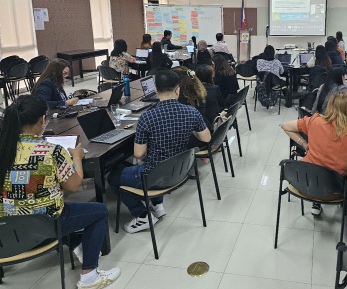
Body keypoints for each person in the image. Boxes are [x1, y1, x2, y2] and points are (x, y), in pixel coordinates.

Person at [0, 95, 121, 288]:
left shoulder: (4, 149)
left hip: (5, 228)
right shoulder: (51, 151)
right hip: (45, 224)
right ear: (42, 120)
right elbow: (73, 186)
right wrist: (77, 157)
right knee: (98, 211)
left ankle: (76, 245)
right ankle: (90, 276)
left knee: (50, 204)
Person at [108, 71, 210, 233]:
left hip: (154, 177)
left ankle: (142, 215)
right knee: (158, 162)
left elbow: (138, 154)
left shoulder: (147, 118)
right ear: (178, 90)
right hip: (180, 172)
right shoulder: (192, 112)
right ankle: (157, 205)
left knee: (113, 177)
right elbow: (206, 138)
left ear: (156, 90)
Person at [281, 91, 347, 215]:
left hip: (303, 183)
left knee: (319, 166)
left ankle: (316, 203)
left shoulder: (315, 121)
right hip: (334, 191)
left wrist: (304, 144)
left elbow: (285, 126)